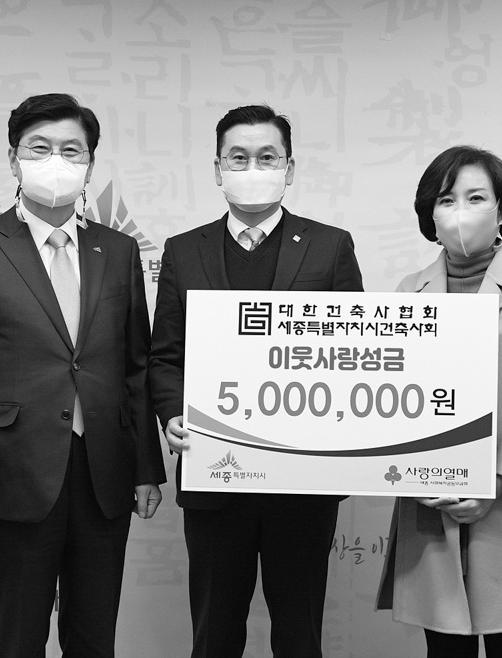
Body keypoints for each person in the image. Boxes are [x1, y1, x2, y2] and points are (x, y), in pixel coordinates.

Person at [0, 93, 166, 658]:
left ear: (90, 164)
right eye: (39, 148)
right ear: (14, 159)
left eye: (71, 150)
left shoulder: (118, 250)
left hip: (103, 475)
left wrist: (145, 469)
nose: (56, 161)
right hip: (16, 477)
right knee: (18, 640)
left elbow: (135, 367)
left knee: (94, 639)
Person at [149, 104, 364, 658]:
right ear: (217, 169)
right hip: (215, 474)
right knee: (214, 633)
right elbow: (165, 357)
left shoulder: (330, 246)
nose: (252, 168)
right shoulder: (184, 250)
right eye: (238, 157)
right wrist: (172, 413)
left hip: (303, 480)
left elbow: (353, 356)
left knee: (299, 634)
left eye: (267, 157)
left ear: (289, 168)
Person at [375, 145, 502, 658]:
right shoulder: (408, 293)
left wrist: (492, 485)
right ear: (430, 213)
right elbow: (392, 401)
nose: (460, 212)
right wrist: (417, 477)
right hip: (430, 507)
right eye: (447, 200)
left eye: (475, 198)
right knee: (444, 648)